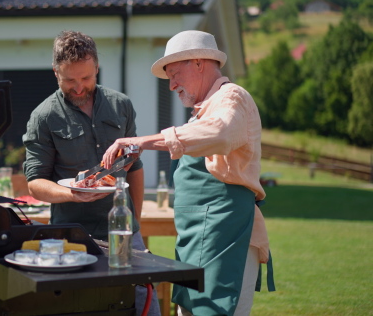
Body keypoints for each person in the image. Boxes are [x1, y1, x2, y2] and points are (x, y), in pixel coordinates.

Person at [102, 30, 275, 316]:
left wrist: (141, 142)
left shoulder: (232, 98)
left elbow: (219, 133)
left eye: (174, 74)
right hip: (194, 240)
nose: (171, 85)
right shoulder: (202, 110)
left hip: (227, 236)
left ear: (198, 63)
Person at [22, 30, 160, 316]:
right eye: (69, 80)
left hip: (123, 232)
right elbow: (35, 183)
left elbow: (133, 166)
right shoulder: (43, 117)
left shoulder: (121, 105)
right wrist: (72, 194)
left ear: (97, 68)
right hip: (73, 235)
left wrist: (136, 223)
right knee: (83, 308)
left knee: (142, 305)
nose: (78, 87)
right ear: (55, 72)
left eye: (86, 78)